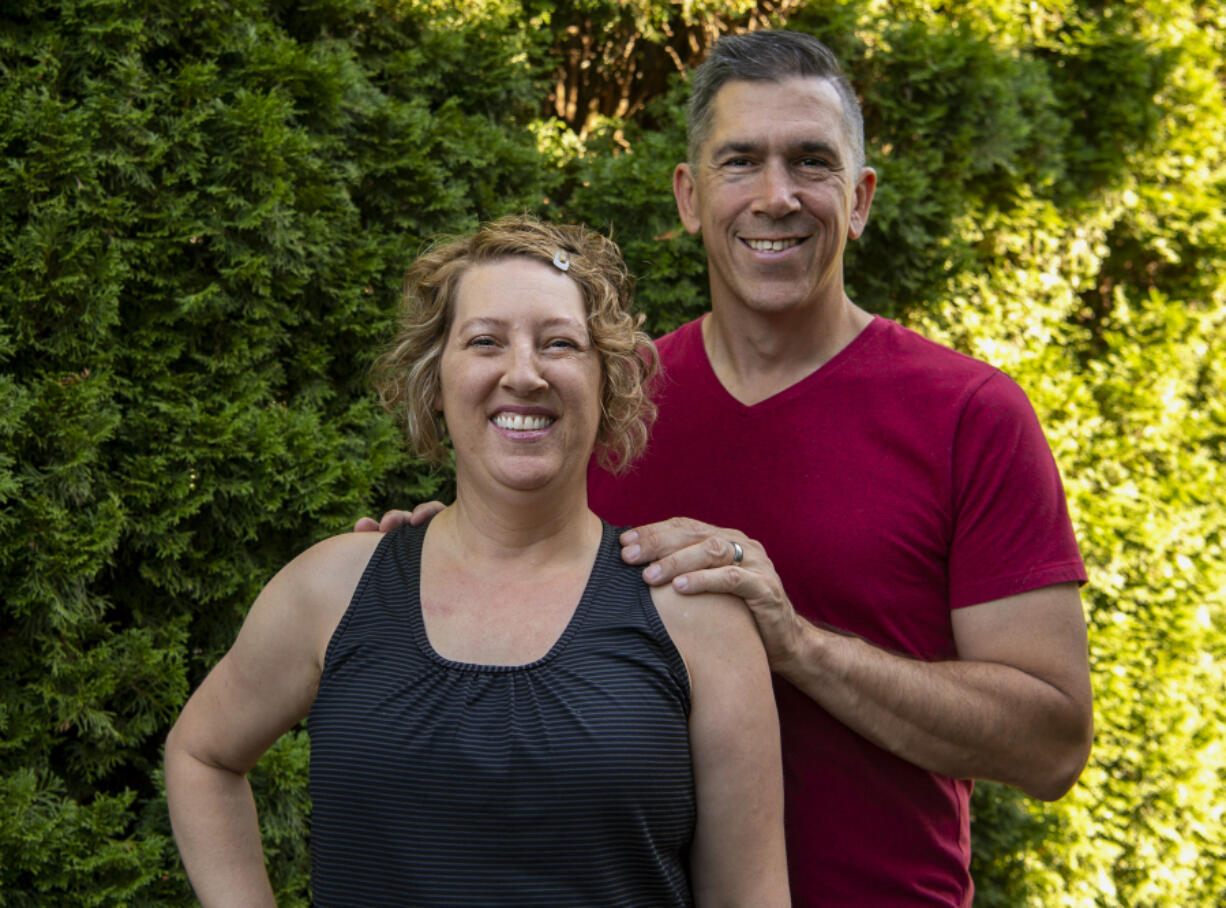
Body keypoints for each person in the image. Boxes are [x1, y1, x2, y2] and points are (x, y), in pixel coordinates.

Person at [358, 30, 1094, 906]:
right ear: (690, 196)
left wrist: (801, 646)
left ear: (858, 200)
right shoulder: (604, 404)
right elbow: (508, 580)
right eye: (740, 161)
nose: (776, 196)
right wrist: (433, 557)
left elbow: (1050, 744)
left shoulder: (970, 415)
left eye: (811, 163)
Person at [165, 215, 790, 907]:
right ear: (435, 381)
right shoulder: (331, 590)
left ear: (608, 382)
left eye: (559, 344)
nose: (523, 374)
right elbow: (202, 756)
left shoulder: (695, 616)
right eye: (485, 341)